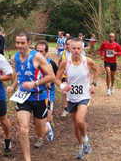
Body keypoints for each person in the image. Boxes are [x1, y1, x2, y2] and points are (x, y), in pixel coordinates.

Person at [7, 32, 55, 161]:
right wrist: (13, 85)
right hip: (23, 97)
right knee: (23, 129)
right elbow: (18, 73)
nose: (19, 45)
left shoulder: (37, 57)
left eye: (22, 43)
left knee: (40, 133)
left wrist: (35, 83)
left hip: (39, 97)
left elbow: (51, 76)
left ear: (29, 43)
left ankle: (47, 128)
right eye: (17, 42)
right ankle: (27, 159)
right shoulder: (15, 58)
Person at [55, 38, 99, 159]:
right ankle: (80, 147)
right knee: (75, 124)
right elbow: (56, 79)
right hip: (71, 97)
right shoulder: (65, 62)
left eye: (78, 48)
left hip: (84, 96)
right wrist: (63, 86)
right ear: (69, 48)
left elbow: (96, 70)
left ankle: (85, 139)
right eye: (73, 48)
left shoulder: (87, 61)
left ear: (82, 49)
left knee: (80, 120)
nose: (76, 51)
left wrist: (93, 84)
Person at [35, 40, 58, 131]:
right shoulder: (31, 63)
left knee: (48, 117)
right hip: (35, 95)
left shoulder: (51, 64)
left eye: (41, 51)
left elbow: (58, 77)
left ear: (46, 52)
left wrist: (50, 82)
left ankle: (49, 123)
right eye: (37, 51)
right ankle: (40, 138)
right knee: (38, 119)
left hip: (49, 94)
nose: (39, 53)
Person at [58, 37, 72, 118]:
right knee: (64, 92)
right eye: (67, 44)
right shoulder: (62, 53)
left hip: (74, 77)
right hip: (65, 76)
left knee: (73, 93)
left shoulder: (78, 53)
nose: (68, 46)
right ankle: (65, 109)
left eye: (70, 44)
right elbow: (59, 62)